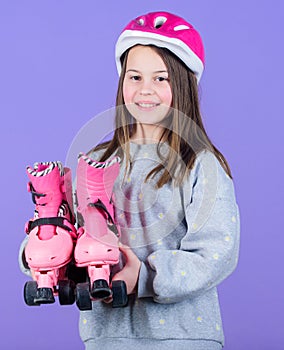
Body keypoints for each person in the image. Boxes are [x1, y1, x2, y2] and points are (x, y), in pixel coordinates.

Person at [19, 11, 240, 350]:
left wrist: (145, 276)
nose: (145, 90)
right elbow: (74, 235)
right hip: (107, 336)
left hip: (181, 337)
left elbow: (216, 253)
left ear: (183, 84)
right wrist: (43, 251)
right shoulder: (96, 162)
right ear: (122, 81)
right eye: (134, 77)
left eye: (161, 79)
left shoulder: (200, 164)